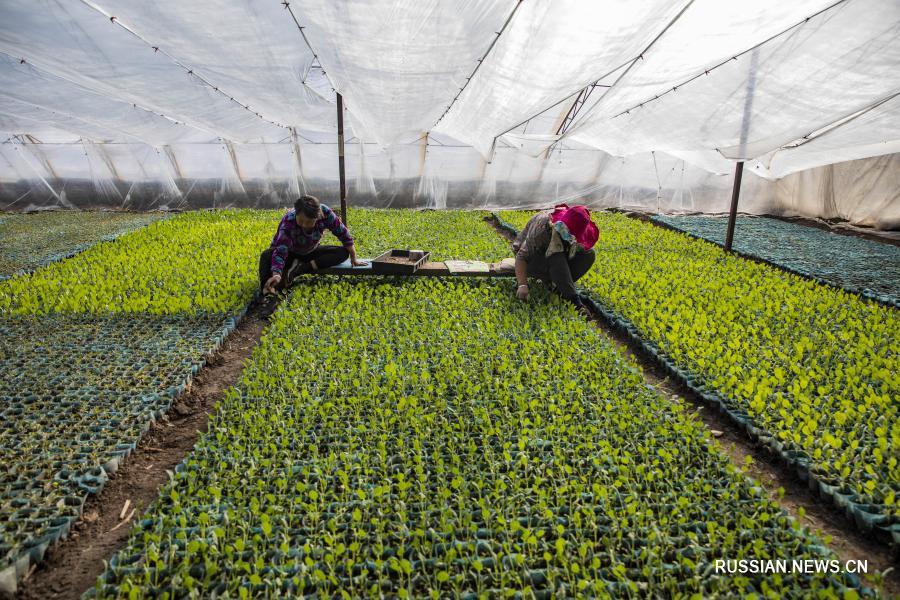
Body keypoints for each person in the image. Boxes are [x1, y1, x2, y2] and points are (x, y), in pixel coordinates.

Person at [258, 195, 366, 313]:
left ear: (318, 216)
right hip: (290, 253)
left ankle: (300, 268)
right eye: (301, 221)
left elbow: (343, 234)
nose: (304, 225)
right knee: (266, 255)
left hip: (311, 251)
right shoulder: (288, 221)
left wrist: (354, 258)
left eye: (309, 222)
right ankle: (269, 293)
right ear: (296, 214)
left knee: (343, 252)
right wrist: (276, 274)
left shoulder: (325, 213)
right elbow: (280, 252)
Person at [512, 204, 598, 309]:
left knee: (588, 254)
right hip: (532, 257)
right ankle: (573, 299)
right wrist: (522, 285)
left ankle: (560, 285)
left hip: (555, 254)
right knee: (557, 257)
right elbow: (521, 257)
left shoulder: (570, 227)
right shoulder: (542, 230)